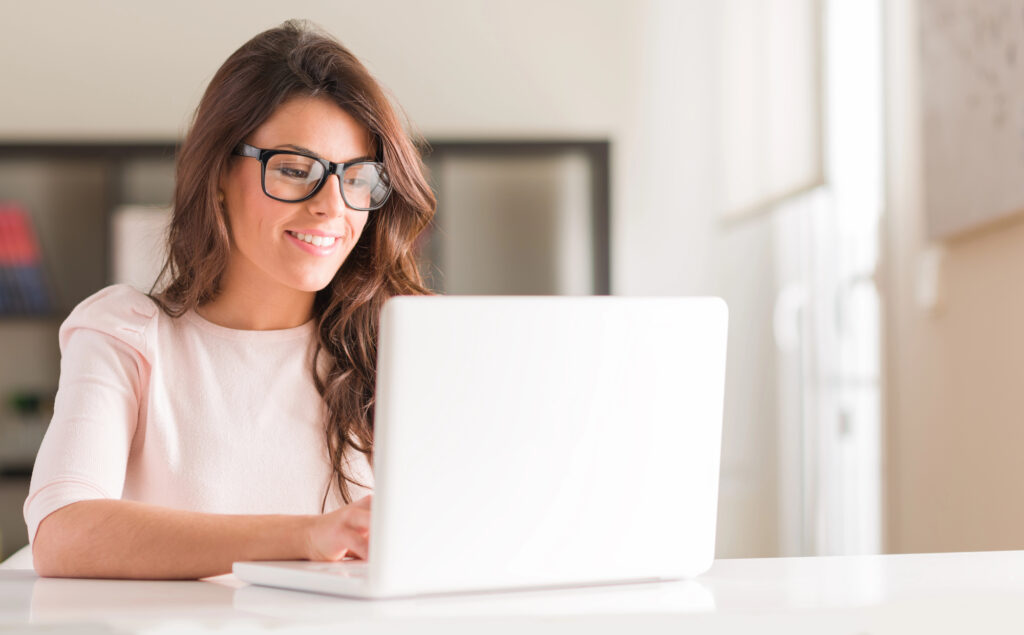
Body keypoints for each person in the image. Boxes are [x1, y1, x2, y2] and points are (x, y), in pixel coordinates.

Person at [23, 20, 435, 579]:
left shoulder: (401, 347)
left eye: (359, 178)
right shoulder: (126, 332)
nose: (332, 206)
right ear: (218, 171)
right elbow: (63, 532)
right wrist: (307, 536)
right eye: (295, 170)